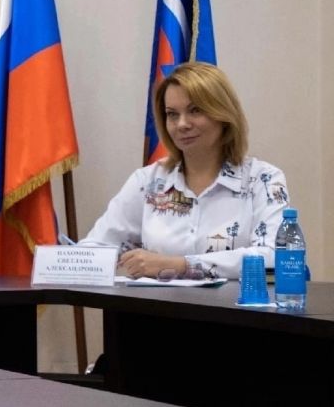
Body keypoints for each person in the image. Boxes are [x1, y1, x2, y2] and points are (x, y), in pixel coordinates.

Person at [82, 62, 289, 280]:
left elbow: (275, 256)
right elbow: (96, 247)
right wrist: (70, 261)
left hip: (234, 302)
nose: (182, 124)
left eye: (195, 110)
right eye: (172, 114)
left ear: (223, 115)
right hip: (154, 303)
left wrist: (181, 265)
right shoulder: (147, 181)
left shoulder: (263, 180)